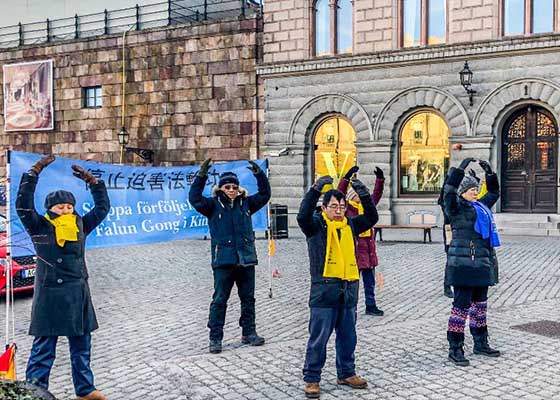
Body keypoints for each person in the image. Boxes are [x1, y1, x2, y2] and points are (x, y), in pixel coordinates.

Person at [16, 154, 110, 400]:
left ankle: (85, 389)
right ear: (50, 209)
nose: (66, 210)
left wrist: (93, 183)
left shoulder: (80, 224)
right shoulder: (39, 226)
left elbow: (103, 208)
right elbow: (23, 206)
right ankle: (34, 392)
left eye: (69, 206)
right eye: (60, 207)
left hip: (78, 293)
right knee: (44, 349)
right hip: (51, 294)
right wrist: (33, 173)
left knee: (81, 347)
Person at [297, 175, 378, 399]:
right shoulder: (315, 226)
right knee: (318, 338)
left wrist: (363, 193)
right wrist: (315, 189)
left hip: (348, 289)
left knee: (348, 337)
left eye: (342, 206)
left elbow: (371, 217)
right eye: (334, 206)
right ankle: (312, 378)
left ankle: (346, 372)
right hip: (324, 291)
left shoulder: (350, 225)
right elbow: (301, 216)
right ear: (324, 208)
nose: (339, 210)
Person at [189, 159, 271, 354]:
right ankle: (215, 337)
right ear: (221, 188)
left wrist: (260, 175)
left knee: (248, 298)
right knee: (219, 300)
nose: (232, 189)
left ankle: (249, 332)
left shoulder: (246, 204)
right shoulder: (212, 205)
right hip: (223, 261)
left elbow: (265, 195)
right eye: (228, 186)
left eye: (234, 186)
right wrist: (201, 176)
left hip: (245, 259)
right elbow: (194, 198)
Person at [443, 158, 501, 367]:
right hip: (463, 266)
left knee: (480, 307)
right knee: (460, 308)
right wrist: (459, 171)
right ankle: (455, 348)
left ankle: (480, 342)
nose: (476, 192)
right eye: (472, 189)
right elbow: (447, 192)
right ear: (462, 191)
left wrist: (490, 175)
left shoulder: (481, 207)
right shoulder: (455, 208)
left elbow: (493, 193)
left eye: (477, 189)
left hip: (482, 264)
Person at [337, 165, 385, 316]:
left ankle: (370, 305)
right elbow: (339, 193)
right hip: (355, 250)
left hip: (369, 250)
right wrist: (345, 179)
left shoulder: (367, 207)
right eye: (357, 194)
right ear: (351, 197)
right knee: (352, 283)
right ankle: (352, 307)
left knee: (370, 283)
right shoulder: (347, 209)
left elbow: (376, 195)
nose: (360, 196)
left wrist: (380, 179)